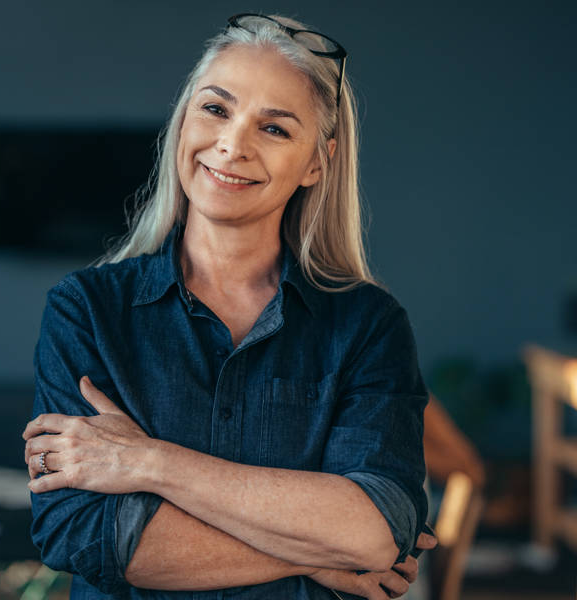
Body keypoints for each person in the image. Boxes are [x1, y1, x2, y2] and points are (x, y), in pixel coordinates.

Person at [23, 13, 436, 600]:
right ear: (184, 119)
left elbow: (374, 530)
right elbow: (85, 535)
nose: (232, 144)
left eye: (274, 129)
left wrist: (150, 463)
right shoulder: (85, 310)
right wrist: (320, 558)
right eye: (216, 109)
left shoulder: (367, 324)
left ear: (317, 162)